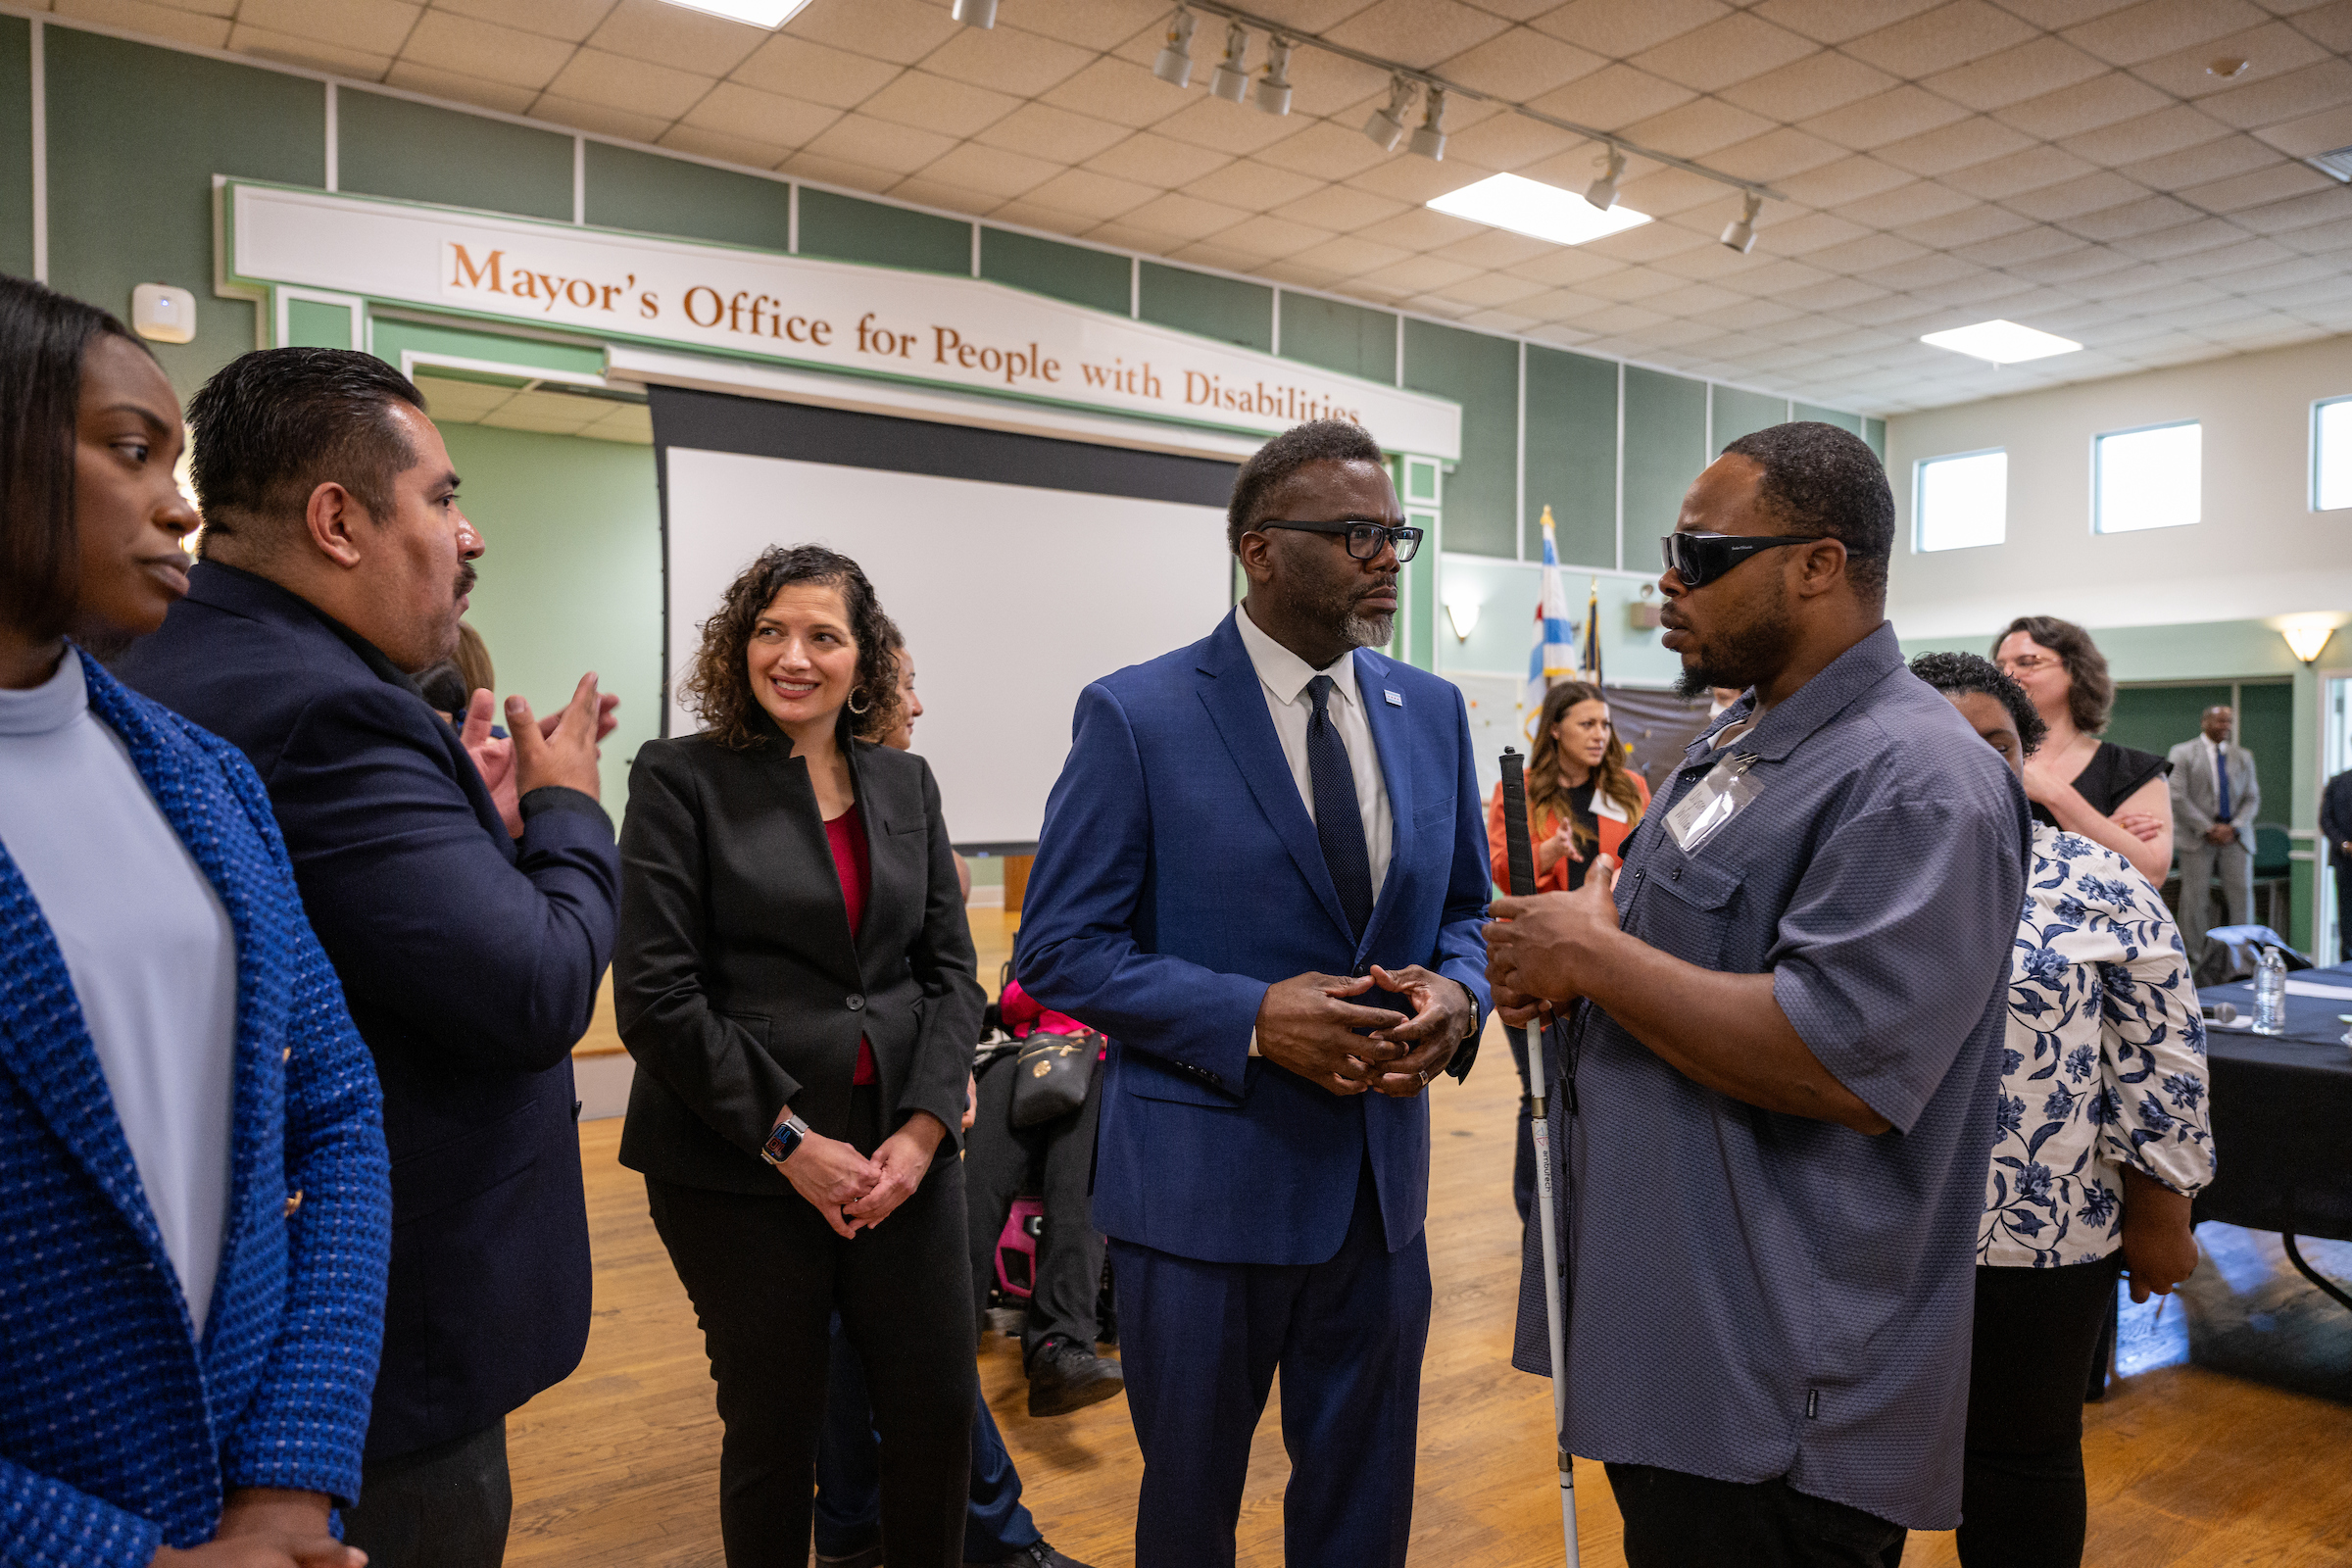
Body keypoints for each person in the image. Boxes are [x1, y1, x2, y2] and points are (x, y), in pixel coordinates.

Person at [1486, 421, 2030, 1565]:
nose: (1667, 584)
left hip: (1780, 1380)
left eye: (1702, 553)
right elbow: (1668, 962)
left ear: (1818, 564)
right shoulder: (1734, 740)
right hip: (1668, 1328)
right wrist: (1570, 969)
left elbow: (1838, 1059)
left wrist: (1594, 960)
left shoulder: (1920, 780)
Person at [114, 346, 621, 1568]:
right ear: (338, 521)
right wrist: (565, 808)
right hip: (375, 1364)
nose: (470, 534)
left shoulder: (170, 657)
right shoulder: (326, 709)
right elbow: (537, 987)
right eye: (442, 498)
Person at [1015, 418, 1492, 1568]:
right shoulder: (1138, 714)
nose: (1386, 557)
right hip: (1201, 1199)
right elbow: (1060, 948)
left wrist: (1457, 995)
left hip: (1381, 1200)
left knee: (1362, 1512)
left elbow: (1467, 911)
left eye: (1397, 534)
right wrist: (1252, 1018)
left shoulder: (1430, 711)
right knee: (1191, 1516)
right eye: (1357, 533)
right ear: (1259, 550)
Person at [0, 276, 391, 1567]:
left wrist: (289, 1476)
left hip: (252, 1494)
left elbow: (333, 1109)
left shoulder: (202, 777)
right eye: (130, 451)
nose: (182, 504)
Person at [614, 545, 986, 1567]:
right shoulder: (679, 777)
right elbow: (655, 997)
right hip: (740, 1163)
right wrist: (790, 1141)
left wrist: (922, 1131)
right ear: (739, 646)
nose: (794, 655)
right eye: (771, 630)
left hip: (902, 1159)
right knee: (775, 1433)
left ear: (862, 661)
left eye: (824, 635)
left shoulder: (906, 781)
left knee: (936, 1414)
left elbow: (953, 974)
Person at [1910, 652, 2213, 1568]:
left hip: (2042, 1229)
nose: (1971, 764)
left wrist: (2164, 1207)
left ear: (2026, 758)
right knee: (1854, 1456)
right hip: (1871, 1222)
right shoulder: (1844, 866)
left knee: (2024, 1455)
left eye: (1996, 746)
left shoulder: (2100, 880)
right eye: (1941, 743)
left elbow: (2158, 1053)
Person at [811, 623, 1094, 1568]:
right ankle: (968, 1539)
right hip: (808, 1135)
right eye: (908, 687)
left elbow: (950, 977)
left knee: (895, 1337)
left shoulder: (907, 801)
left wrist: (933, 1103)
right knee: (893, 1342)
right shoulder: (751, 814)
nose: (921, 708)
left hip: (910, 1121)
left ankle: (877, 1527)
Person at [1485, 679, 1648, 1224]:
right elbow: (1500, 871)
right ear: (1555, 728)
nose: (1600, 734)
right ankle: (1538, 1219)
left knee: (1603, 1094)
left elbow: (1643, 864)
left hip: (1609, 963)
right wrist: (1546, 850)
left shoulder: (1631, 789)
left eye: (1605, 724)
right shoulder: (1522, 790)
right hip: (1538, 965)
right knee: (1545, 1090)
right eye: (1587, 724)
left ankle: (1590, 1219)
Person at [1992, 615, 2172, 885]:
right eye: (1999, 666)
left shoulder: (2133, 770)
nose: (2007, 675)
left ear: (2075, 672)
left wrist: (2054, 792)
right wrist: (2109, 833)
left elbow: (2150, 873)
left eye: (2027, 662)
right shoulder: (1980, 760)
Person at [2169, 705, 2262, 959]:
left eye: (2229, 722)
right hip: (2197, 837)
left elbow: (2252, 798)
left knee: (2242, 898)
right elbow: (2177, 795)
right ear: (2205, 722)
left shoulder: (2242, 756)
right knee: (2195, 900)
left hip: (2236, 838)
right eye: (2220, 722)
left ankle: (2243, 956)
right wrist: (2208, 828)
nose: (2226, 727)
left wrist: (2235, 826)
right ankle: (2193, 957)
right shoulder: (2183, 753)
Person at [2325, 764, 2352, 964]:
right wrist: (2344, 844)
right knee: (2347, 920)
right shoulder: (2337, 782)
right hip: (2345, 861)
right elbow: (2325, 819)